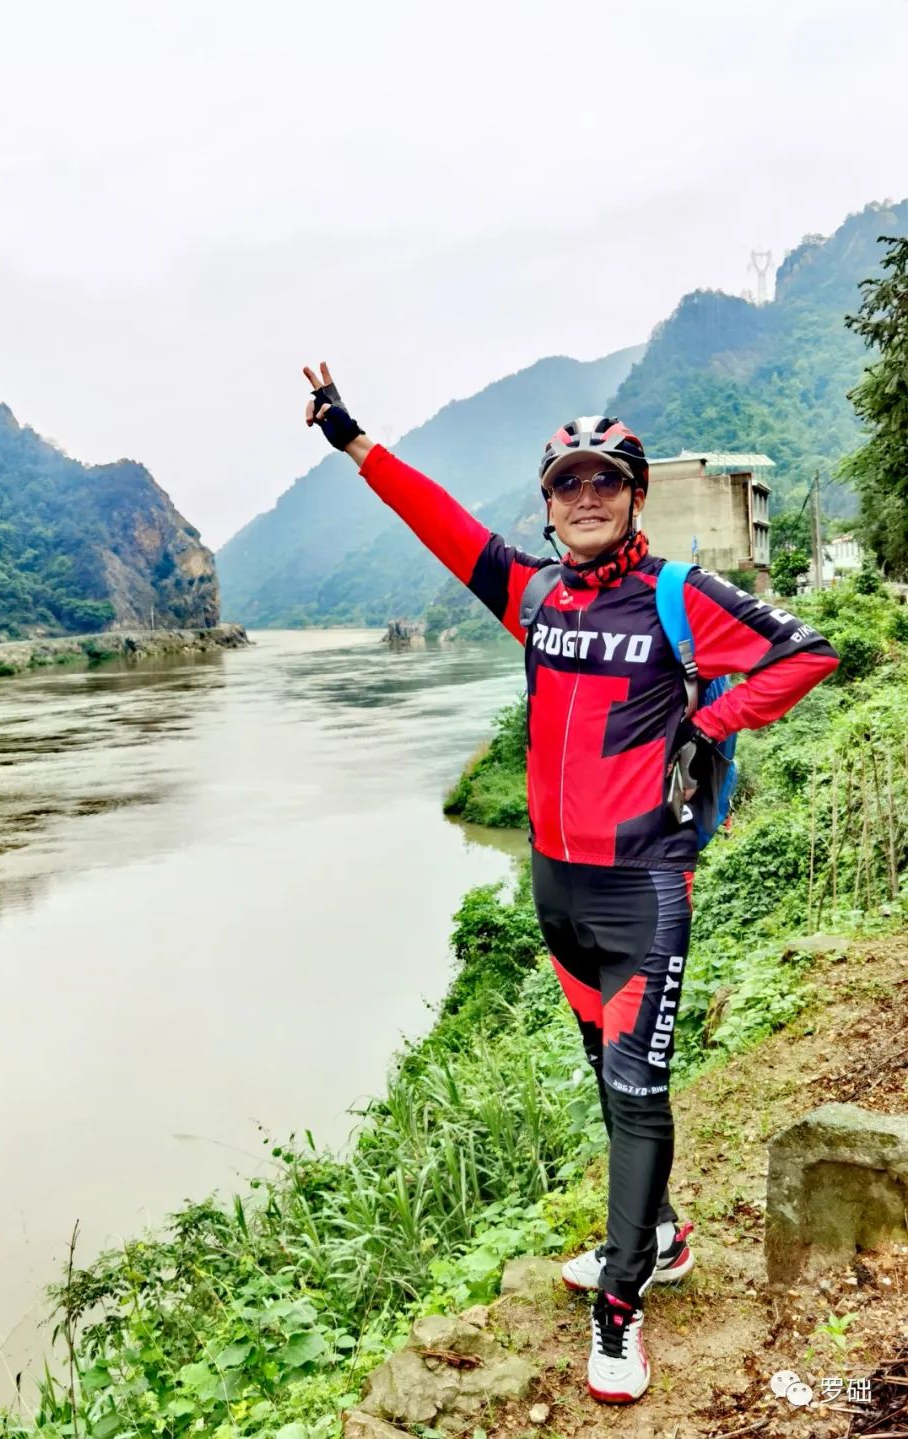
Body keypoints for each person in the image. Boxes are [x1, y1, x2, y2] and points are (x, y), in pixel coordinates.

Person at [301, 362, 839, 1405]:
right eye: (567, 482)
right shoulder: (536, 595)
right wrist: (355, 440)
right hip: (557, 894)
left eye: (605, 480)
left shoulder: (678, 595)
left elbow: (803, 651)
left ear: (634, 496)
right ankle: (662, 1234)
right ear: (548, 504)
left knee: (636, 1094)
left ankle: (621, 1308)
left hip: (643, 893)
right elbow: (442, 524)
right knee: (607, 1075)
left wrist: (711, 718)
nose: (586, 496)